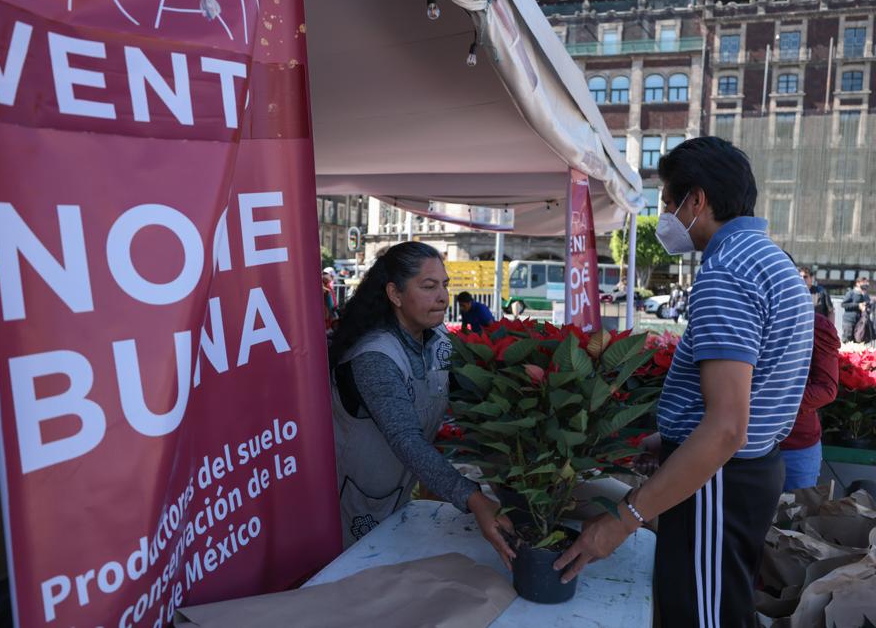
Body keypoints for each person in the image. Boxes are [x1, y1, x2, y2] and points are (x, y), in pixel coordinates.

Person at [555, 137, 813, 628]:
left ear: (698, 200)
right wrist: (668, 440)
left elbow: (725, 429)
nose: (666, 215)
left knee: (700, 616)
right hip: (741, 475)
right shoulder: (770, 261)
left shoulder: (727, 273)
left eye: (669, 202)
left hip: (718, 479)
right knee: (722, 606)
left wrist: (622, 520)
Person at [327, 242, 515, 567]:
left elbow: (467, 392)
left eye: (445, 285)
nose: (443, 297)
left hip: (399, 493)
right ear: (395, 294)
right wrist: (473, 498)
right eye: (428, 287)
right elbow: (406, 439)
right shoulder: (375, 356)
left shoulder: (436, 337)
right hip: (354, 500)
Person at [780, 259, 840, 491]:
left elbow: (826, 389)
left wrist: (770, 402)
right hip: (738, 444)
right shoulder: (740, 320)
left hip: (795, 445)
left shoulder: (815, 326)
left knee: (794, 522)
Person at [842, 276, 870, 343]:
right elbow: (844, 304)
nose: (865, 285)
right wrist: (858, 305)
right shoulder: (851, 293)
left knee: (858, 341)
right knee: (847, 341)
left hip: (860, 322)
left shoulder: (865, 295)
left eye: (866, 283)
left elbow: (868, 305)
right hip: (849, 321)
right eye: (863, 283)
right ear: (858, 283)